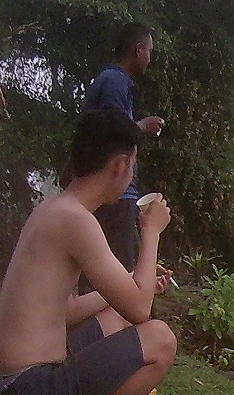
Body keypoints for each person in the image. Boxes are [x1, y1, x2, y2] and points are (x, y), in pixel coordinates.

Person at [0, 108, 177, 395]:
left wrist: (129, 280)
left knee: (117, 315)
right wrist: (152, 232)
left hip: (19, 394)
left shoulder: (56, 209)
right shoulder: (77, 221)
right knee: (161, 339)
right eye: (133, 167)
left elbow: (67, 311)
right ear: (119, 166)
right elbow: (142, 309)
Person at [81, 22, 166, 286]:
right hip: (114, 195)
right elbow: (110, 132)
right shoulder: (114, 81)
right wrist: (142, 126)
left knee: (106, 274)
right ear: (138, 49)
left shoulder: (115, 81)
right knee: (117, 281)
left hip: (115, 194)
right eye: (149, 51)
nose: (149, 58)